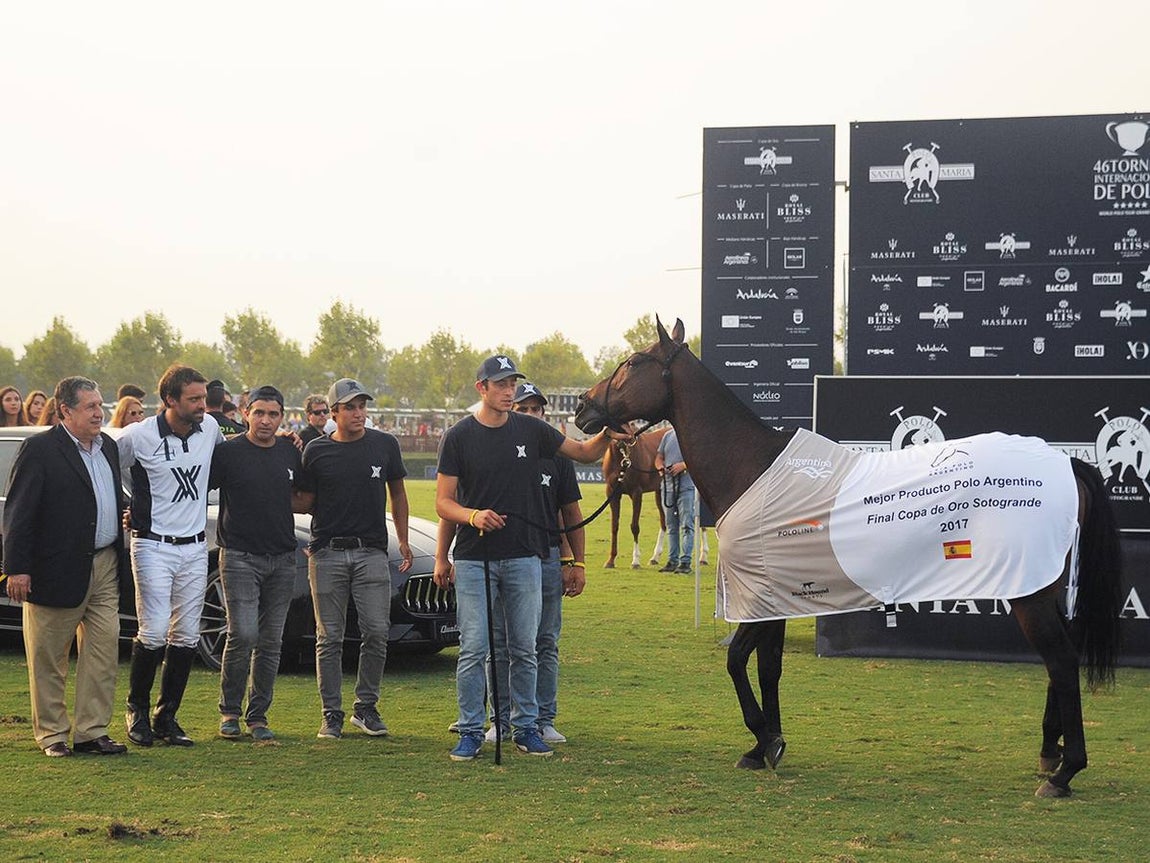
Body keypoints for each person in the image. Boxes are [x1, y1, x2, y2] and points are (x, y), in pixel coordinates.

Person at [433, 355, 615, 761]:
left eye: (512, 383)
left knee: (524, 648)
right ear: (481, 388)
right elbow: (444, 502)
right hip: (474, 558)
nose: (508, 390)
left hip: (525, 558)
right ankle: (469, 730)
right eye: (500, 384)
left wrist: (609, 434)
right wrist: (473, 515)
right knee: (475, 646)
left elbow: (584, 452)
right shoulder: (458, 436)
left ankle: (526, 727)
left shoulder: (532, 429)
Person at [2, 377, 131, 757]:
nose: (99, 413)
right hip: (53, 568)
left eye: (100, 405)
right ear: (64, 412)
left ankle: (92, 732)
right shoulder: (39, 449)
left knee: (104, 649)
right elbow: (18, 513)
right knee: (49, 657)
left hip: (105, 563)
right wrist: (17, 568)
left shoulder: (107, 446)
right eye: (90, 407)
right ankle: (53, 735)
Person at [294, 378, 412, 740]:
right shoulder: (315, 451)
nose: (359, 413)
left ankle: (365, 708)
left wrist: (404, 541)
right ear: (334, 413)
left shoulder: (385, 445)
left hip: (372, 551)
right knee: (328, 637)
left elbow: (398, 495)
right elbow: (303, 502)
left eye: (362, 406)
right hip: (327, 552)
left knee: (377, 631)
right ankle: (331, 714)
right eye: (350, 407)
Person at [117, 364, 224, 747]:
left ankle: (167, 717)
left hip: (196, 545)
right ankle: (137, 711)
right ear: (169, 400)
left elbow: (229, 461)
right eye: (194, 399)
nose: (202, 405)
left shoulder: (209, 429)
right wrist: (132, 507)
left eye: (203, 398)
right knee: (155, 629)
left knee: (187, 634)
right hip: (153, 545)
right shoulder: (137, 435)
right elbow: (108, 470)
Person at [484, 381, 585, 745]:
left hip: (545, 557)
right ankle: (501, 718)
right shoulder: (495, 447)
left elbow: (570, 510)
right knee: (502, 642)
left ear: (544, 414)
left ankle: (543, 718)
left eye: (535, 410)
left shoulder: (556, 455)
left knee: (544, 641)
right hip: (501, 556)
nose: (529, 415)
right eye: (522, 409)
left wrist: (576, 561)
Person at [209, 385, 304, 742]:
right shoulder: (229, 453)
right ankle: (229, 711)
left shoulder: (290, 451)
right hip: (238, 556)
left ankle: (258, 715)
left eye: (273, 414)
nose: (266, 420)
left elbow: (307, 496)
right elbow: (195, 489)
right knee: (243, 633)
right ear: (246, 413)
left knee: (271, 640)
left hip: (282, 558)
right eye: (259, 413)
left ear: (282, 417)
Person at [655, 426, 696, 574]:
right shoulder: (668, 435)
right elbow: (659, 457)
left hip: (686, 486)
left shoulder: (690, 433)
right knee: (671, 526)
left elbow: (697, 457)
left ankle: (685, 561)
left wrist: (683, 465)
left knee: (687, 524)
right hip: (668, 486)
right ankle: (672, 560)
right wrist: (660, 467)